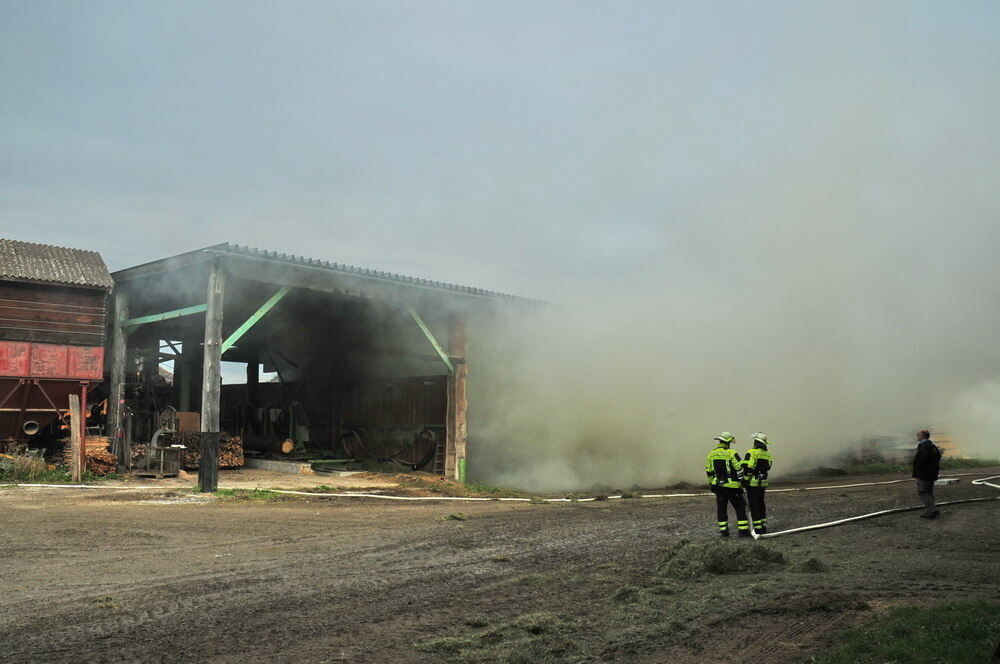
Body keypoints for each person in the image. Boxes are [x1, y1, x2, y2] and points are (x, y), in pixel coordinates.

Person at [705, 432, 750, 537]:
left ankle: (724, 532)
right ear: (728, 442)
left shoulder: (711, 453)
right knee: (739, 507)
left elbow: (709, 470)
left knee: (721, 508)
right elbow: (740, 468)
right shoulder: (731, 453)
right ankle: (743, 532)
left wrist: (712, 483)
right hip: (732, 486)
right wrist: (741, 482)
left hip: (718, 486)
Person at [742, 432, 774, 533]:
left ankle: (758, 528)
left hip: (753, 484)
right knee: (761, 504)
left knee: (754, 506)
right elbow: (768, 467)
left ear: (755, 442)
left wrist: (745, 480)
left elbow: (749, 468)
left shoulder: (751, 452)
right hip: (763, 483)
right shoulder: (767, 454)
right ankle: (763, 526)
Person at [912, 429, 941, 519]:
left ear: (923, 436)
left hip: (924, 474)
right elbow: (938, 456)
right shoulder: (931, 445)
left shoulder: (924, 446)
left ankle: (932, 510)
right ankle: (931, 510)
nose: (917, 436)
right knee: (928, 492)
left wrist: (917, 473)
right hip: (931, 473)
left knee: (922, 492)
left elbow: (921, 461)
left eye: (918, 435)